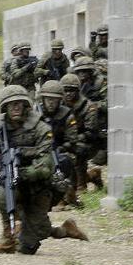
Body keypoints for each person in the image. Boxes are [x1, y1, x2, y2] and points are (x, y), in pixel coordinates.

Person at [0, 86, 86, 255]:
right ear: (4, 108)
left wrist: (21, 173)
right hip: (14, 184)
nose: (15, 107)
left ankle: (64, 230)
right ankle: (8, 238)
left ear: (25, 105)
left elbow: (45, 167)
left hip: (38, 188)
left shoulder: (41, 128)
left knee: (29, 245)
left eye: (19, 104)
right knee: (2, 192)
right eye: (11, 104)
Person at [36, 80, 81, 209]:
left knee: (64, 162)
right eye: (48, 99)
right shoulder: (35, 115)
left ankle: (64, 196)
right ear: (43, 99)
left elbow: (72, 139)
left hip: (60, 150)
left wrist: (60, 148)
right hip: (39, 151)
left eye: (54, 100)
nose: (51, 102)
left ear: (60, 100)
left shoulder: (66, 115)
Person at [61, 74, 103, 191]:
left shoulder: (89, 107)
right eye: (65, 90)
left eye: (72, 90)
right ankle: (92, 175)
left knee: (79, 151)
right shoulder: (59, 106)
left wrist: (72, 140)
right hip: (68, 140)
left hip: (88, 142)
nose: (68, 94)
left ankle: (81, 184)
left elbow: (91, 132)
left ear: (78, 91)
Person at [71, 57, 108, 168]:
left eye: (84, 71)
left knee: (99, 160)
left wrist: (93, 105)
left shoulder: (101, 83)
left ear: (91, 71)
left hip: (100, 122)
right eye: (79, 71)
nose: (81, 74)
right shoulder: (77, 84)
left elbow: (109, 104)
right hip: (83, 123)